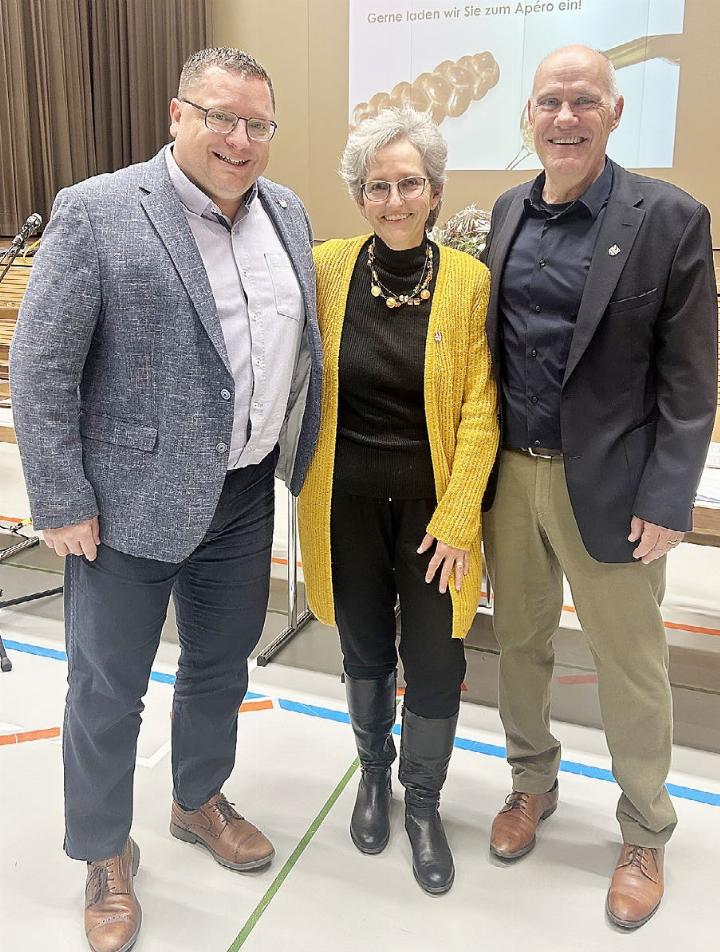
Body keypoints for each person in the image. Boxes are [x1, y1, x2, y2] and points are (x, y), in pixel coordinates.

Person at [10, 47, 321, 952]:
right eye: (220, 117)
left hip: (242, 496)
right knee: (107, 689)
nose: (240, 139)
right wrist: (62, 498)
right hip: (122, 506)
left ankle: (197, 799)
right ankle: (105, 853)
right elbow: (40, 365)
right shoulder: (99, 211)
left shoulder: (289, 213)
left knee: (221, 669)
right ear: (177, 114)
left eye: (258, 124)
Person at [481, 45, 717, 929]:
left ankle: (645, 828)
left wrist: (668, 499)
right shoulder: (506, 211)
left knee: (631, 667)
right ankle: (530, 783)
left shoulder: (670, 219)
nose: (566, 116)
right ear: (529, 118)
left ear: (616, 113)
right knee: (522, 648)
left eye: (584, 100)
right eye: (550, 101)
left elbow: (692, 381)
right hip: (514, 479)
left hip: (615, 489)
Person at [298, 107, 498, 895]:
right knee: (364, 651)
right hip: (342, 504)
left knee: (438, 661)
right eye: (377, 185)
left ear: (436, 191)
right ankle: (373, 776)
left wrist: (456, 518)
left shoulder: (469, 282)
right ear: (359, 196)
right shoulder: (327, 269)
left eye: (408, 183)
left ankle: (423, 803)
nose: (393, 199)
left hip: (432, 518)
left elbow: (483, 406)